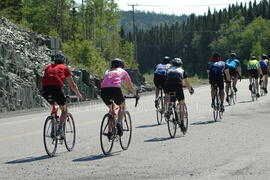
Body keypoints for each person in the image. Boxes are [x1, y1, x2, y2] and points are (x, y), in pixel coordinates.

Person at [42, 53, 83, 136]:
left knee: (55, 104)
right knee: (64, 110)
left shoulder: (48, 66)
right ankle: (60, 128)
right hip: (56, 89)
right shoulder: (64, 68)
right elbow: (72, 85)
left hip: (45, 90)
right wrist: (78, 95)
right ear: (63, 61)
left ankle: (53, 125)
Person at [100, 58, 137, 139]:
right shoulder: (123, 71)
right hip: (115, 89)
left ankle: (110, 132)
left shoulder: (107, 71)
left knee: (111, 110)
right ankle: (119, 123)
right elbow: (130, 86)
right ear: (121, 65)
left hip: (104, 90)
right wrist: (135, 94)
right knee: (122, 106)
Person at [164, 58, 194, 133]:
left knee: (168, 96)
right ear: (181, 65)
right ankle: (182, 124)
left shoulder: (169, 69)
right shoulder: (182, 70)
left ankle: (168, 109)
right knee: (181, 103)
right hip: (177, 85)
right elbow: (186, 83)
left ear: (173, 64)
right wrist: (190, 90)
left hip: (168, 84)